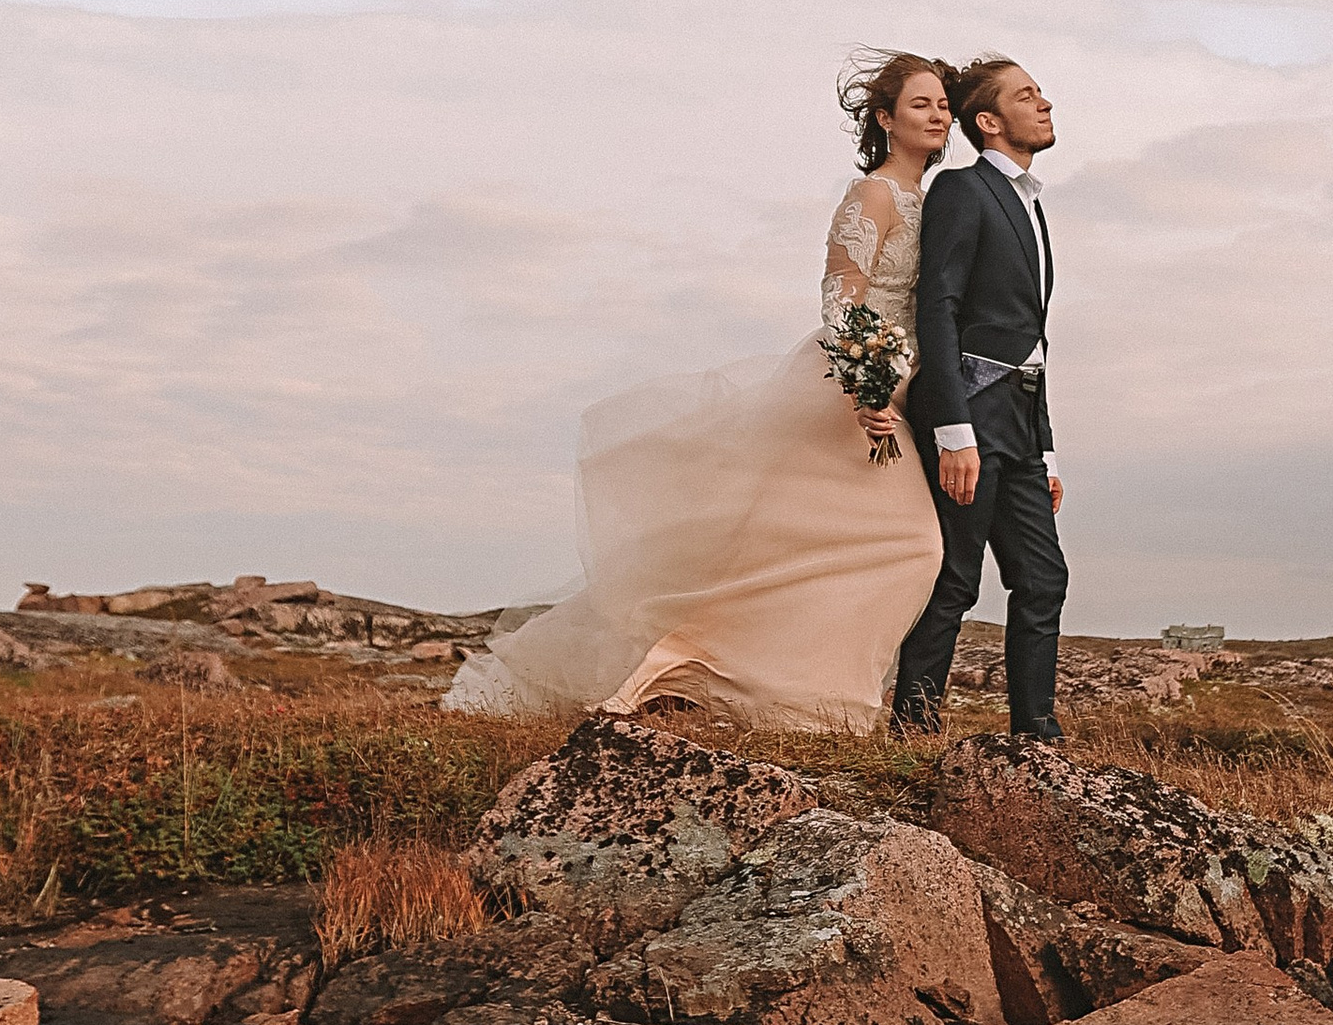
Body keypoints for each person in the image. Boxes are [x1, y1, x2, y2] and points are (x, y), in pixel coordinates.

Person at [444, 55, 952, 729]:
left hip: (896, 389)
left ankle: (716, 675)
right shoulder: (874, 196)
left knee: (795, 551)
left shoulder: (932, 204)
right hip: (846, 389)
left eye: (943, 103)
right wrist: (866, 387)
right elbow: (841, 295)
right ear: (885, 118)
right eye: (921, 104)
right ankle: (702, 668)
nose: (938, 114)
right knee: (912, 545)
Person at [891, 56, 1068, 742]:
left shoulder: (1033, 203)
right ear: (990, 121)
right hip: (972, 410)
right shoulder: (963, 190)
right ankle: (914, 734)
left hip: (1021, 423)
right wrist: (952, 431)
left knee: (1043, 579)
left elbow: (1034, 337)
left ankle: (1037, 737)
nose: (1045, 103)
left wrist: (1046, 446)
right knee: (956, 581)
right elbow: (939, 306)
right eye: (1028, 96)